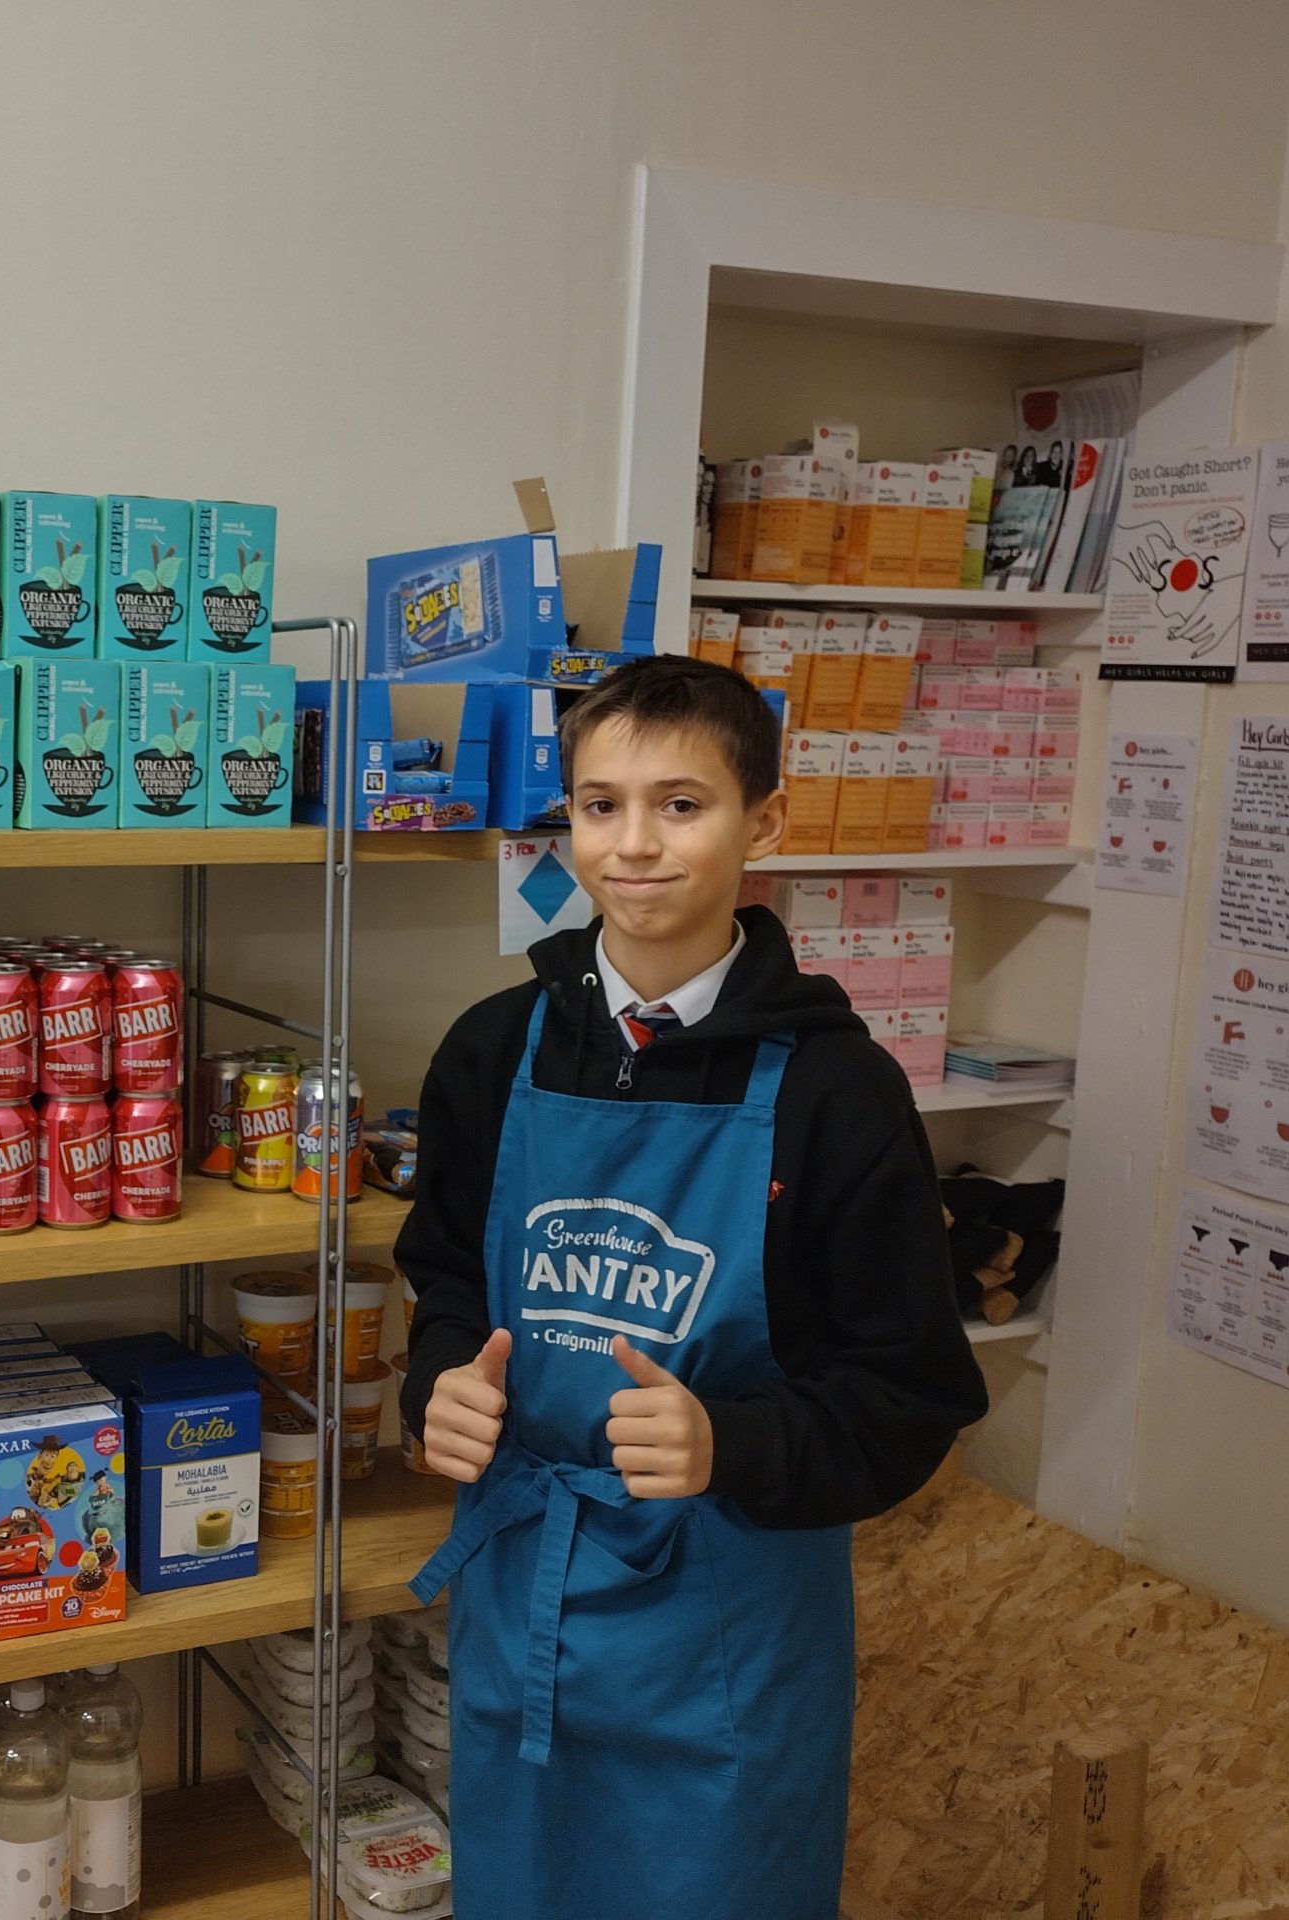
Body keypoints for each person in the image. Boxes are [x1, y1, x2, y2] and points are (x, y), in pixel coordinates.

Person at [397, 653, 989, 1916]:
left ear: (763, 821)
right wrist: (437, 1378)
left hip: (726, 1630)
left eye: (682, 804)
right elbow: (444, 1272)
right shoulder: (491, 1048)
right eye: (599, 805)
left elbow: (909, 1392)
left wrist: (732, 1440)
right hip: (526, 1600)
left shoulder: (837, 1093)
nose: (633, 847)